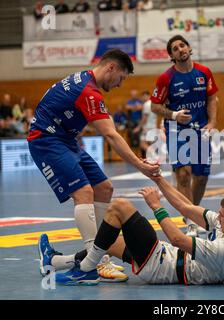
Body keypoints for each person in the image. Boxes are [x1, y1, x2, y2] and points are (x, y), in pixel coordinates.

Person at [28, 49, 160, 282]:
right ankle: (94, 264)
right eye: (121, 78)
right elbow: (111, 135)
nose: (119, 84)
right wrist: (141, 165)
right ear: (111, 68)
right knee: (84, 192)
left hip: (66, 140)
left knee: (104, 188)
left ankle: (57, 260)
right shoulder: (88, 91)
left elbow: (109, 127)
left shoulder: (88, 85)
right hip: (46, 140)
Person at [39, 174, 224, 285]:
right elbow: (184, 207)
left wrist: (156, 206)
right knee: (109, 240)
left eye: (222, 215)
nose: (218, 216)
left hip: (162, 267)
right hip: (164, 256)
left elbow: (178, 239)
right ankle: (54, 261)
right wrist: (158, 179)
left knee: (120, 207)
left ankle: (85, 270)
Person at [150, 35, 219, 237]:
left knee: (201, 177)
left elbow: (213, 98)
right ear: (171, 55)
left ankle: (193, 212)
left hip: (201, 130)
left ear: (188, 48)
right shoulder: (166, 78)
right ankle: (190, 221)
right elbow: (155, 106)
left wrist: (213, 122)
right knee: (183, 174)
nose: (180, 49)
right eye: (175, 48)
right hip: (176, 130)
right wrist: (173, 115)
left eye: (182, 45)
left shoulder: (204, 72)